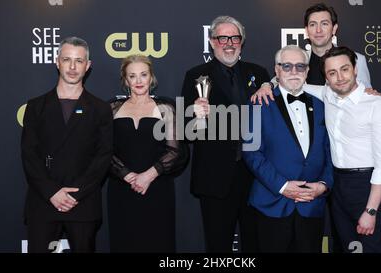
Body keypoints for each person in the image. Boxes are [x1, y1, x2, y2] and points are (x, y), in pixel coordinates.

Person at [180, 15, 270, 252]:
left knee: (256, 244)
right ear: (212, 41)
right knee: (218, 246)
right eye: (222, 38)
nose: (229, 43)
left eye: (234, 37)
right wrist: (196, 115)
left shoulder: (260, 75)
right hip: (214, 179)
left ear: (241, 41)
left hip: (256, 178)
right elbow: (185, 131)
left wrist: (270, 85)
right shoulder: (195, 76)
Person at [21, 36, 113, 253]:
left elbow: (103, 156)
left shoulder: (100, 109)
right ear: (57, 62)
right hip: (43, 202)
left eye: (79, 61)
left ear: (88, 66)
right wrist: (52, 192)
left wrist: (75, 194)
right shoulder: (36, 106)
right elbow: (29, 155)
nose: (72, 67)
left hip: (83, 205)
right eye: (67, 60)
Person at [242, 45, 333, 252]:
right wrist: (283, 186)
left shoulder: (322, 106)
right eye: (287, 66)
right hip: (271, 205)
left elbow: (331, 154)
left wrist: (323, 185)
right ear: (277, 70)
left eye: (300, 66)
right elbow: (252, 153)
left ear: (308, 71)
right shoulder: (256, 104)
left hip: (312, 205)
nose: (294, 71)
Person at [108, 54, 188, 252]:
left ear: (151, 77)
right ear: (125, 80)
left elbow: (176, 150)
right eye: (132, 76)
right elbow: (102, 150)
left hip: (157, 189)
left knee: (158, 243)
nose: (138, 81)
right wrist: (126, 174)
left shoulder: (165, 107)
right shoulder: (111, 108)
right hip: (122, 191)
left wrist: (148, 175)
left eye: (143, 75)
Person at [320, 46, 381, 253]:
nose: (340, 77)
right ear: (326, 78)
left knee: (369, 249)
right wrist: (267, 83)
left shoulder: (376, 104)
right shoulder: (327, 94)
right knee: (345, 248)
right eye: (332, 73)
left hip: (368, 188)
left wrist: (371, 211)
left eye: (344, 69)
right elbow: (298, 85)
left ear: (355, 69)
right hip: (338, 187)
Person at [257, 2, 372, 106]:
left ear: (334, 29)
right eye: (313, 24)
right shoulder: (299, 59)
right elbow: (280, 78)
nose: (318, 30)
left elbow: (366, 96)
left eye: (324, 24)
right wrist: (267, 85)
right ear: (306, 30)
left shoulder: (355, 59)